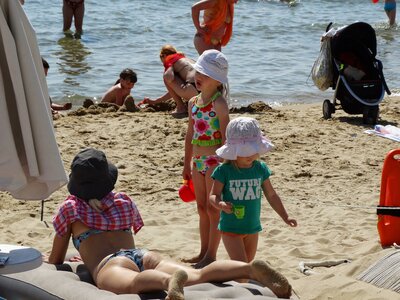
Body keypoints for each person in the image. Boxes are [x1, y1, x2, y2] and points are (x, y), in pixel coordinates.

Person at [46, 148, 293, 299]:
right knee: (197, 274)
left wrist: (76, 257)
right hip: (143, 255)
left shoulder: (71, 208)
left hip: (110, 263)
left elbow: (56, 258)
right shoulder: (123, 200)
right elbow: (124, 231)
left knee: (132, 283)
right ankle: (248, 268)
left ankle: (167, 283)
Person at [210, 117, 297, 263]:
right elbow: (213, 195)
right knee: (242, 269)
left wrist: (285, 216)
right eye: (245, 151)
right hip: (231, 228)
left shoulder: (260, 168)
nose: (250, 155)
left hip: (252, 227)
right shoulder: (223, 171)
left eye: (253, 150)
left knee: (247, 266)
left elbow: (271, 195)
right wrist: (221, 205)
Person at [182, 49, 230, 269]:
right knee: (201, 208)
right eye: (198, 71)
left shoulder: (219, 104)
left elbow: (225, 137)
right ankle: (203, 252)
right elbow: (190, 134)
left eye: (205, 74)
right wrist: (187, 163)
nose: (198, 77)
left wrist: (224, 165)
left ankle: (211, 255)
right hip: (197, 162)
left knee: (213, 209)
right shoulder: (193, 103)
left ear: (218, 81)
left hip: (214, 162)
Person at [142, 45, 199, 118]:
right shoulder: (186, 59)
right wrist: (156, 101)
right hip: (206, 92)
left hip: (194, 90)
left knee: (166, 76)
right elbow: (175, 90)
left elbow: (169, 79)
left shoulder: (169, 59)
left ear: (164, 56)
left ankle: (181, 108)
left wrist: (168, 67)